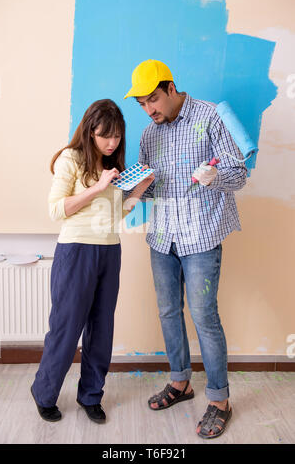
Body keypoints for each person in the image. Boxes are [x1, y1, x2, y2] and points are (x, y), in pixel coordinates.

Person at [124, 60, 247, 439]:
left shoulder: (210, 117)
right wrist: (133, 188)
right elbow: (153, 187)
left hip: (201, 236)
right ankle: (180, 382)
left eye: (154, 100)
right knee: (167, 311)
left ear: (171, 88)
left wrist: (216, 176)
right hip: (163, 236)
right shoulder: (149, 134)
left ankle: (219, 400)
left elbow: (239, 174)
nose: (149, 110)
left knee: (203, 316)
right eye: (143, 104)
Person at [31, 99, 154, 423]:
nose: (111, 142)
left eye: (116, 136)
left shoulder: (113, 163)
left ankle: (90, 396)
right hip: (76, 252)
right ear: (90, 131)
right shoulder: (70, 159)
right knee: (66, 327)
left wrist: (137, 192)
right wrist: (98, 187)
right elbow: (57, 210)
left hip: (109, 250)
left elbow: (115, 214)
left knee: (101, 329)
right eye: (104, 136)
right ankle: (44, 393)